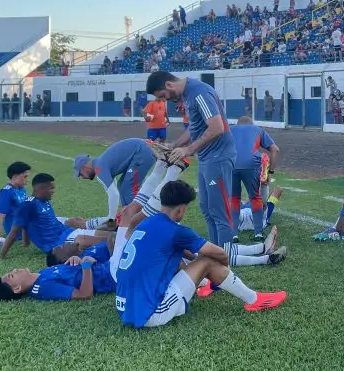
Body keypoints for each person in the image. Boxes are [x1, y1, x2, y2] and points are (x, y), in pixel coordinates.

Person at [115, 180, 287, 328]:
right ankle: (253, 299)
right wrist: (223, 266)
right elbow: (218, 253)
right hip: (150, 313)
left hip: (124, 307)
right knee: (208, 262)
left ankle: (208, 283)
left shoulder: (148, 223)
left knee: (180, 259)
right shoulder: (177, 231)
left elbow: (181, 252)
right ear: (181, 210)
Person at [145, 71, 261, 266]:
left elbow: (216, 127)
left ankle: (223, 262)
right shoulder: (189, 94)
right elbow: (195, 127)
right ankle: (215, 254)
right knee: (207, 208)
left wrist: (188, 150)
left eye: (163, 96)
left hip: (219, 157)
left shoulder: (198, 92)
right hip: (208, 157)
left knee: (219, 211)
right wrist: (174, 145)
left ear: (169, 85)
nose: (166, 101)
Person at [0, 174, 115, 261]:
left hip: (70, 233)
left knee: (112, 230)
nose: (53, 191)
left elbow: (26, 225)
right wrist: (0, 256)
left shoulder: (44, 201)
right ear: (40, 189)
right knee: (111, 237)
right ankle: (114, 261)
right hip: (62, 243)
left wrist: (26, 243)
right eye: (51, 188)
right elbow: (14, 233)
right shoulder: (28, 205)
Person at [74, 139, 164, 221]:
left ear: (84, 167)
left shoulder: (99, 169)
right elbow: (116, 190)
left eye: (81, 174)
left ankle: (143, 219)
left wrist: (110, 219)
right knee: (122, 186)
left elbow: (114, 194)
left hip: (143, 151)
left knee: (128, 188)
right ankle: (131, 217)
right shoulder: (101, 163)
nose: (83, 177)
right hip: (143, 148)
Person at [229, 116, 280, 242]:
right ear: (251, 123)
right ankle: (258, 233)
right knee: (255, 197)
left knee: (234, 198)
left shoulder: (229, 130)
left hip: (231, 164)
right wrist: (270, 172)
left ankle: (233, 234)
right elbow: (275, 149)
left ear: (237, 123)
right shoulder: (258, 130)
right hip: (251, 164)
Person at [0, 251, 116, 302]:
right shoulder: (43, 288)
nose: (15, 269)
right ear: (17, 288)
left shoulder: (41, 274)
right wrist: (86, 264)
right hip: (112, 275)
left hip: (108, 265)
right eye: (12, 275)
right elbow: (84, 294)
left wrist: (76, 260)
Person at [0, 161, 31, 248]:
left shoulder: (21, 189)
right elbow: (0, 217)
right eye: (25, 177)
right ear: (15, 177)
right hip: (19, 232)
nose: (28, 180)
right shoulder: (6, 193)